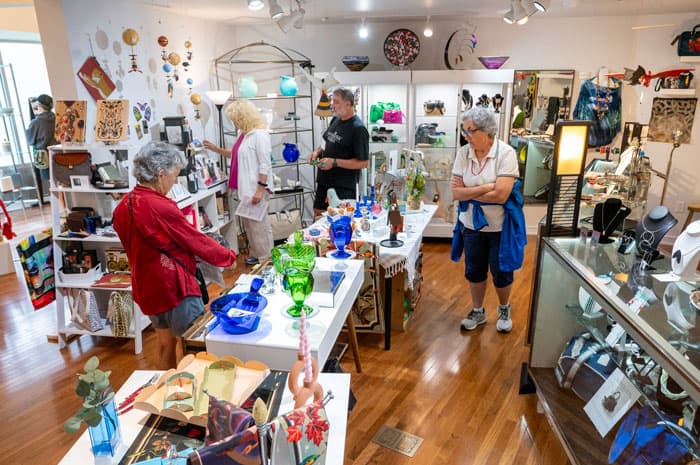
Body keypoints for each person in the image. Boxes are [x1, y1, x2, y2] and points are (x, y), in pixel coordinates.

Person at [113, 141, 236, 369]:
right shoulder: (160, 206)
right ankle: (194, 392)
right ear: (160, 174)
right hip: (174, 286)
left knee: (164, 343)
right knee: (194, 343)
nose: (174, 182)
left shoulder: (122, 207)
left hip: (147, 286)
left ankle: (167, 390)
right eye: (174, 176)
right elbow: (194, 240)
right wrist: (227, 256)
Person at [450, 107, 526, 334]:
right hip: (471, 223)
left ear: (487, 131)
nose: (466, 136)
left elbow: (502, 195)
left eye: (470, 131)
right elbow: (455, 193)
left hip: (500, 226)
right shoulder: (464, 153)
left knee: (501, 271)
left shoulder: (506, 153)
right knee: (474, 270)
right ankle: (478, 311)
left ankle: (504, 308)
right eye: (464, 131)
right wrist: (485, 187)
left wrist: (470, 190)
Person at [203, 99, 273, 266]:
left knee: (259, 227)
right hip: (245, 189)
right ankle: (257, 254)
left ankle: (266, 260)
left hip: (256, 189)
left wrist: (260, 189)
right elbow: (235, 154)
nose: (233, 122)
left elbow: (265, 164)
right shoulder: (243, 135)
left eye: (235, 119)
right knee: (249, 226)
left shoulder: (260, 135)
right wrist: (216, 149)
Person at [308, 87, 369, 216]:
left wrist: (334, 162)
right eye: (332, 101)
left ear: (348, 104)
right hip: (324, 180)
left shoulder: (358, 129)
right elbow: (325, 143)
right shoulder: (335, 120)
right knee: (318, 214)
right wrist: (316, 153)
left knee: (338, 218)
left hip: (342, 185)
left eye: (336, 102)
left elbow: (363, 163)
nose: (332, 105)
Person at [25, 94, 57, 204]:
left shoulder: (36, 122)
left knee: (52, 183)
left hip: (45, 157)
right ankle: (64, 208)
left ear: (39, 105)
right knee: (62, 182)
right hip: (60, 154)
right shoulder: (59, 117)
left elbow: (30, 140)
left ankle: (59, 209)